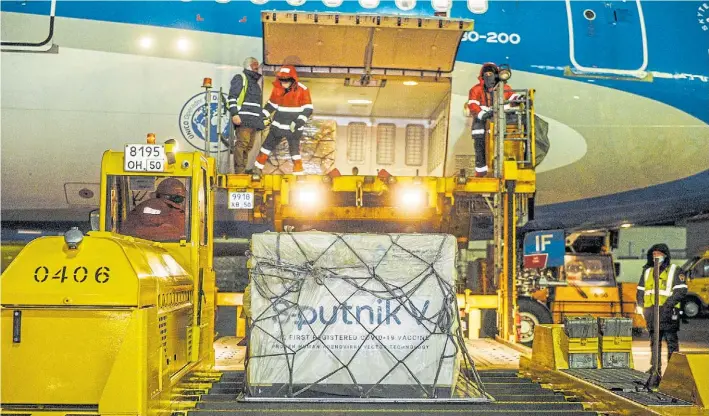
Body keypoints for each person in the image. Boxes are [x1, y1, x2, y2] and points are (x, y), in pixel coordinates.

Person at [636, 243, 688, 374]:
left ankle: (673, 371)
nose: (656, 257)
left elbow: (681, 291)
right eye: (654, 254)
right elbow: (640, 291)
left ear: (665, 256)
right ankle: (655, 369)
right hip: (652, 312)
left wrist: (667, 306)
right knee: (654, 342)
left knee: (671, 341)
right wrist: (644, 308)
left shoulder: (675, 270)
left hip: (669, 312)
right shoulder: (648, 271)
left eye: (658, 254)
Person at [464, 62, 523, 177]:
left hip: (500, 120)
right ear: (482, 76)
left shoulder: (504, 88)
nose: (488, 76)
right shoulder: (476, 89)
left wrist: (521, 98)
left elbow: (512, 96)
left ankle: (500, 169)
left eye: (491, 73)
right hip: (480, 122)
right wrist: (482, 114)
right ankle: (481, 173)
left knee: (504, 144)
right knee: (480, 146)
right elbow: (472, 105)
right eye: (486, 74)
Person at [254, 65, 313, 175]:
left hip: (293, 128)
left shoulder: (303, 90)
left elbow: (308, 109)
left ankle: (298, 173)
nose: (283, 83)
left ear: (292, 80)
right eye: (282, 80)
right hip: (278, 126)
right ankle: (257, 169)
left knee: (294, 151)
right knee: (266, 147)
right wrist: (261, 117)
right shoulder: (277, 89)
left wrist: (298, 122)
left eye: (286, 80)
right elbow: (271, 106)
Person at [227, 57, 267, 174]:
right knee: (242, 145)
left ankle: (242, 170)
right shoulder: (241, 78)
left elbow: (256, 105)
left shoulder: (255, 84)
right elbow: (232, 97)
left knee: (248, 147)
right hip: (244, 120)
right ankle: (239, 171)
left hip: (253, 122)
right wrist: (235, 114)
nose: (257, 68)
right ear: (248, 66)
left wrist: (261, 119)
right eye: (255, 65)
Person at [121, 178, 187, 241]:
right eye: (180, 198)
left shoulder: (141, 207)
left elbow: (127, 228)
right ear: (177, 198)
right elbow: (181, 235)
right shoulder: (177, 213)